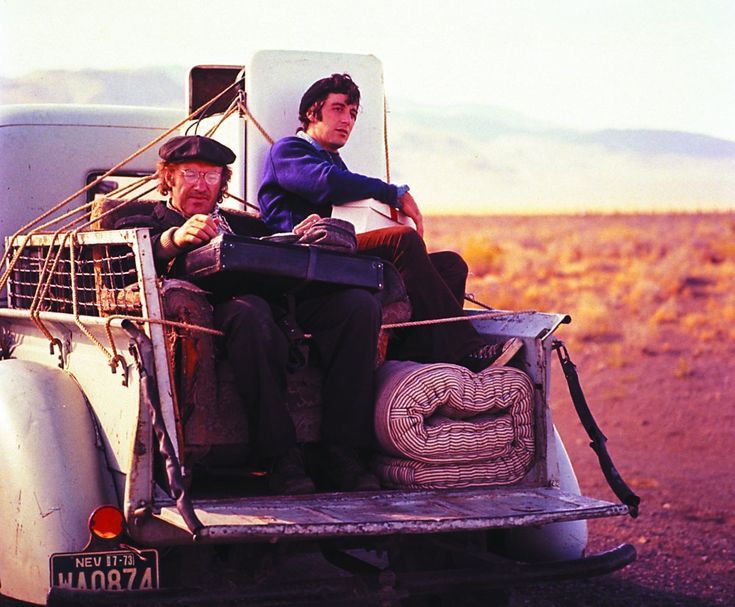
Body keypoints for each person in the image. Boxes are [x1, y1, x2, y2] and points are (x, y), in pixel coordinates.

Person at [118, 134, 381, 494]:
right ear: (169, 178)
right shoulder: (142, 219)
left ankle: (342, 451)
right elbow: (121, 256)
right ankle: (279, 457)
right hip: (217, 316)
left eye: (211, 176)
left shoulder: (244, 225)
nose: (200, 185)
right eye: (190, 173)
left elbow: (279, 248)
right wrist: (174, 239)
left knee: (357, 305)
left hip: (277, 303)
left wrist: (304, 235)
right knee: (251, 313)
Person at [258, 73, 521, 370]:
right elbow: (326, 183)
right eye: (338, 108)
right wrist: (392, 193)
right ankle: (466, 350)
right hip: (305, 257)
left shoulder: (333, 160)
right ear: (311, 112)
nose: (347, 120)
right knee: (402, 240)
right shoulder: (289, 149)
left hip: (337, 252)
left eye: (353, 113)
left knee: (450, 264)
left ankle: (422, 354)